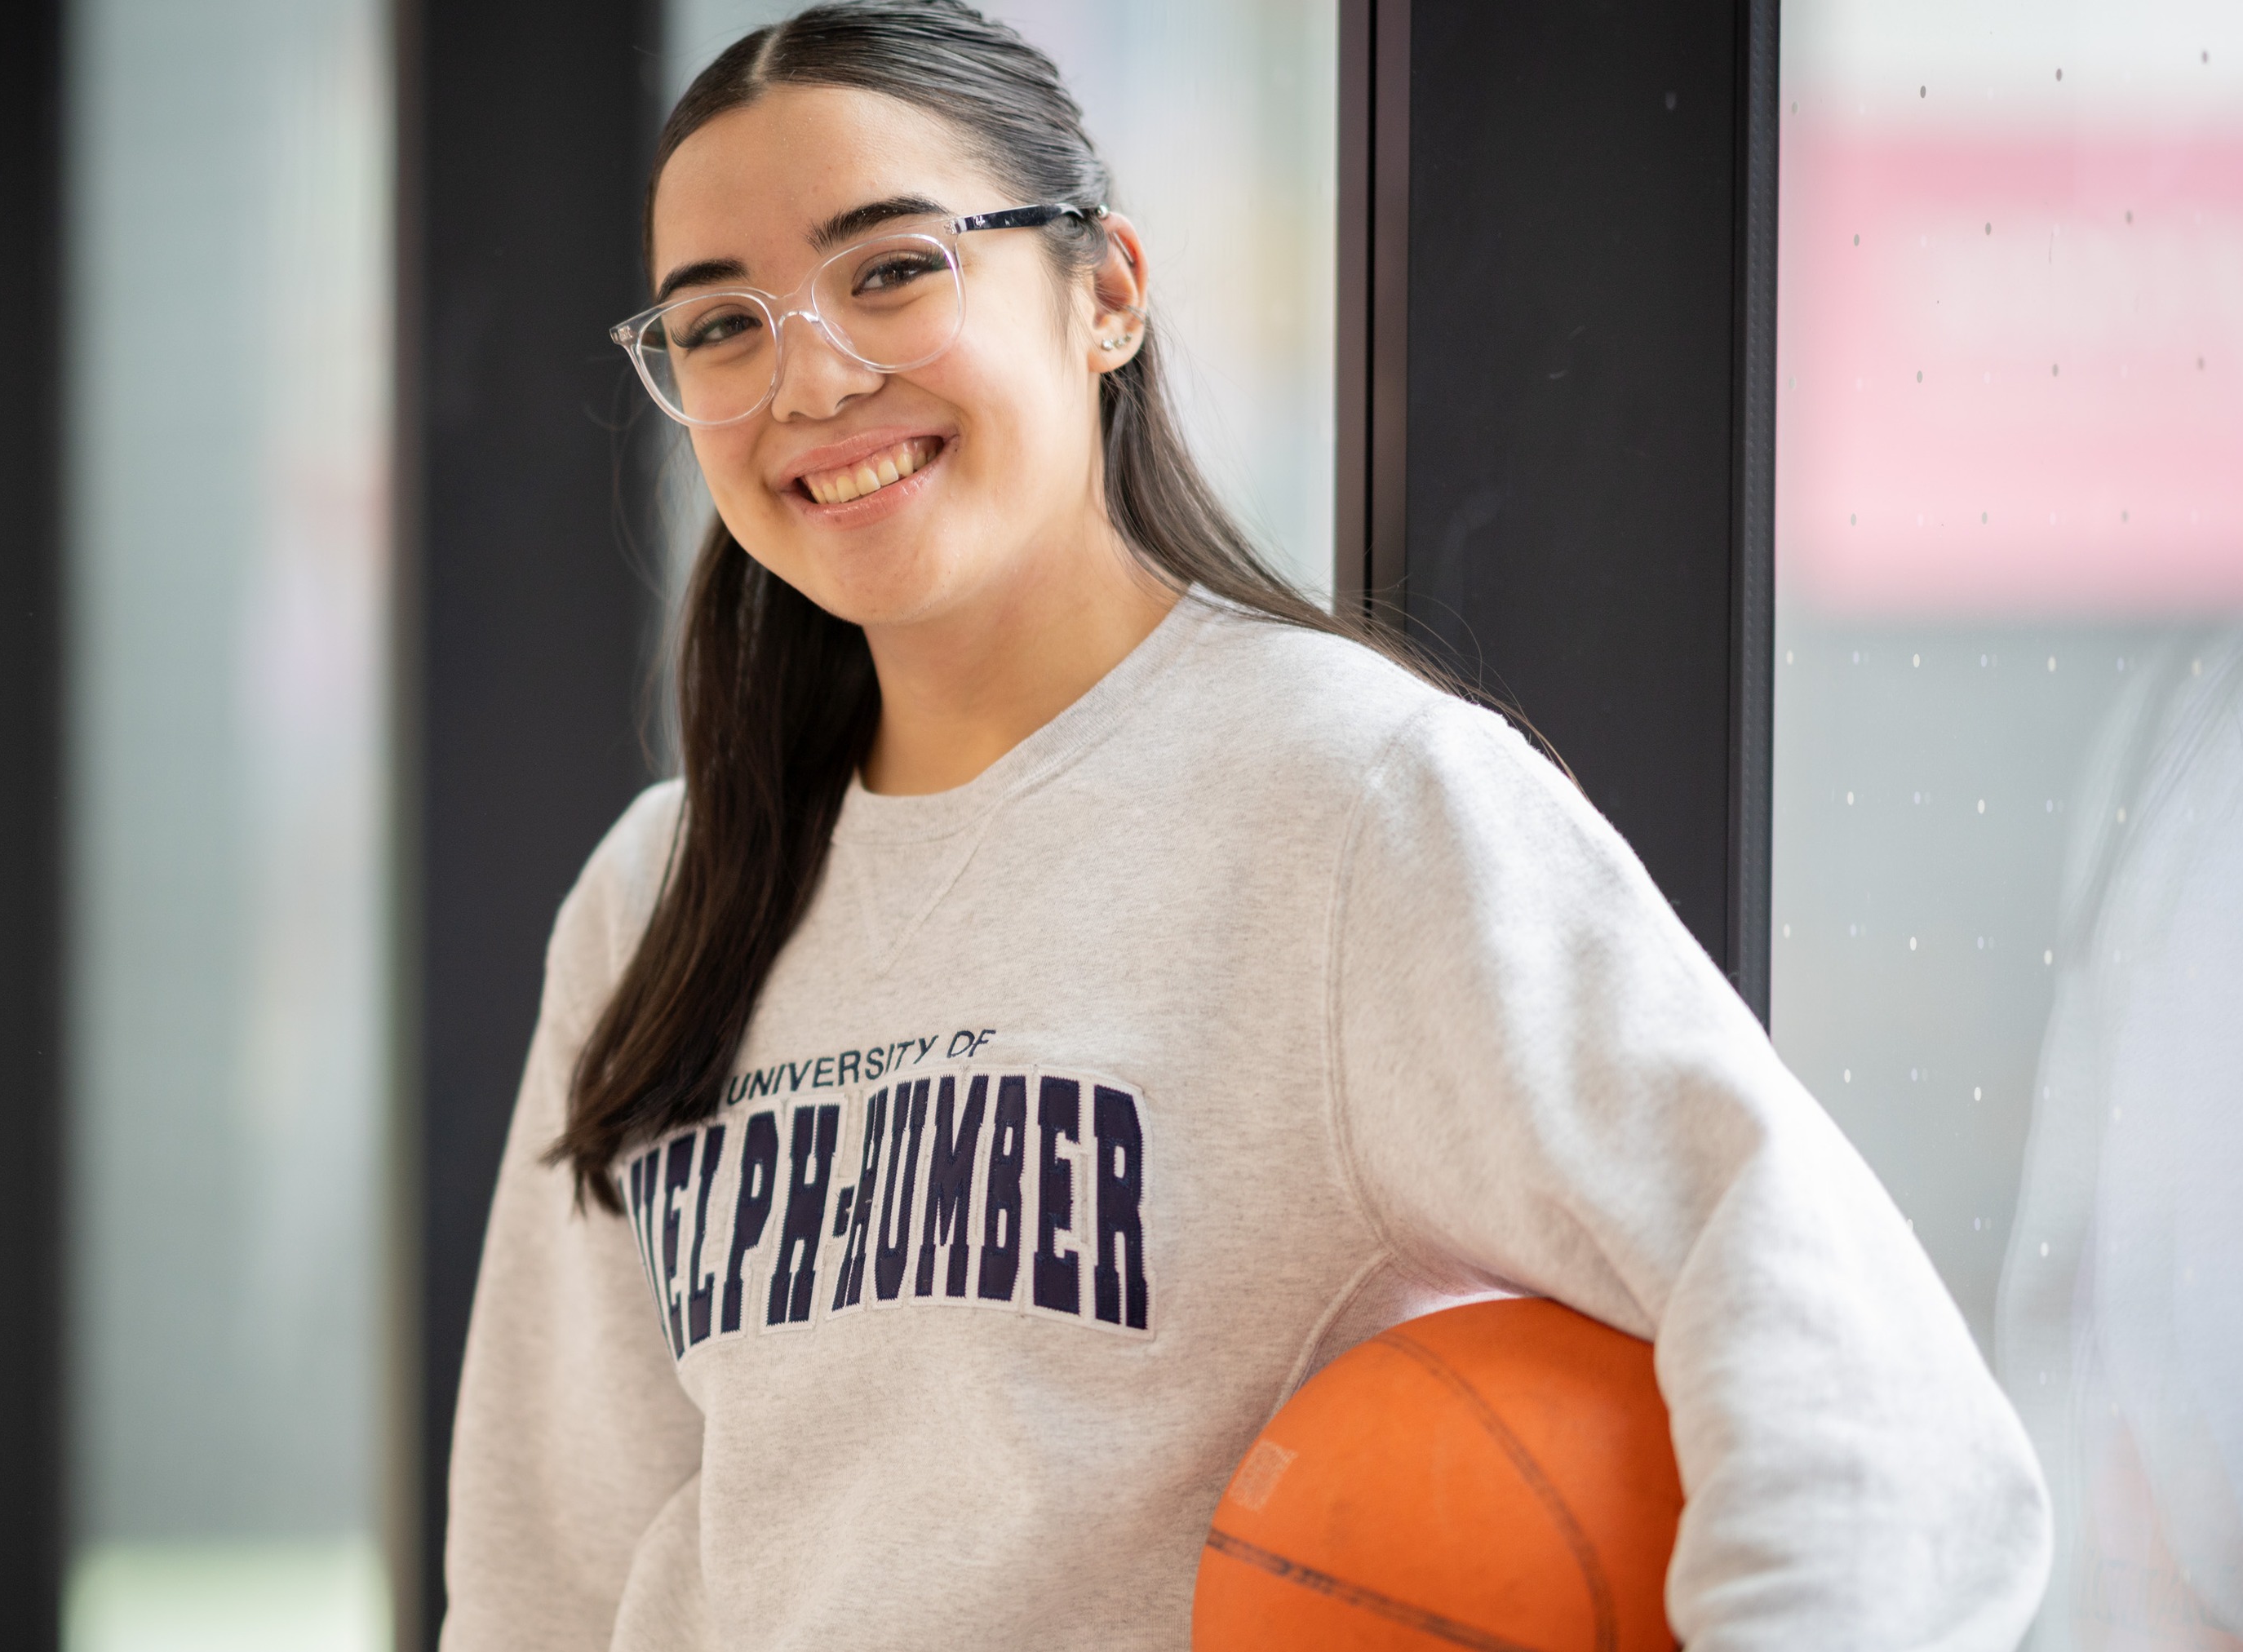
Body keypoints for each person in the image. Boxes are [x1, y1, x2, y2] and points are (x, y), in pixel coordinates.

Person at [443, 4, 2050, 1646]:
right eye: (720, 326)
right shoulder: (657, 892)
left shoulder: (1353, 800)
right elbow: (545, 1569)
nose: (813, 375)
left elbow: (1838, 1344)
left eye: (895, 268)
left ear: (1106, 292)